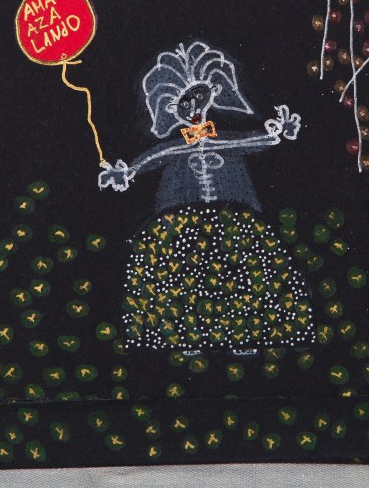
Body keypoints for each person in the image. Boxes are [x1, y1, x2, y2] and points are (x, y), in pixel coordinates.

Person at [99, 41, 315, 354]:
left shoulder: (223, 139)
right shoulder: (177, 146)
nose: (194, 108)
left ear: (213, 92)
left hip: (231, 213)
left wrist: (278, 132)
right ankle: (188, 336)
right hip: (183, 216)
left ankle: (243, 334)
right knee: (185, 276)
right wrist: (126, 172)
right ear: (171, 108)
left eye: (199, 96)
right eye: (185, 102)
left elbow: (253, 141)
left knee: (239, 274)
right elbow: (153, 157)